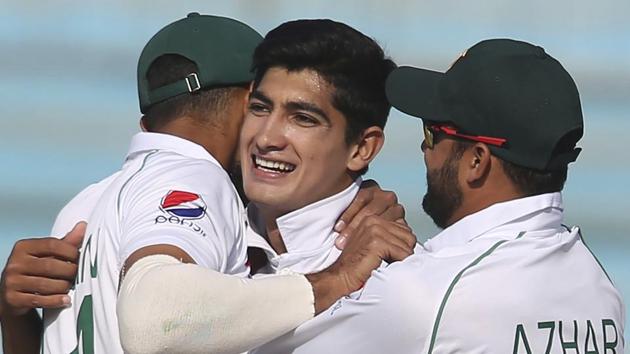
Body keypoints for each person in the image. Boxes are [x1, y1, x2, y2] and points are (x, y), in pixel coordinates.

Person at [0, 14, 410, 354]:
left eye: (302, 117)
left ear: (363, 148)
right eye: (259, 108)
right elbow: (158, 323)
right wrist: (335, 278)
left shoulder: (397, 282)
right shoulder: (208, 203)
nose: (267, 136)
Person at [253, 38, 626, 353]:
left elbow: (246, 345)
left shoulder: (425, 294)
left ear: (476, 161)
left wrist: (335, 270)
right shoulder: (595, 284)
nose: (423, 148)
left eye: (433, 132)